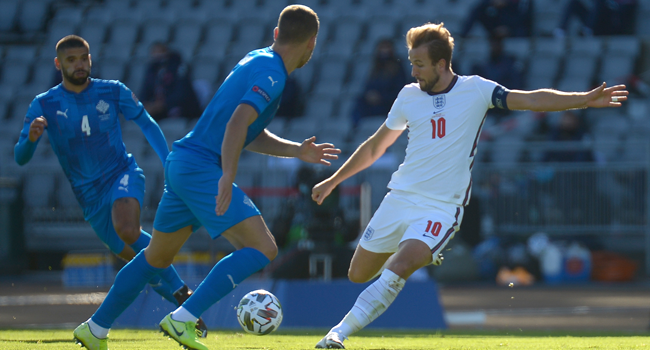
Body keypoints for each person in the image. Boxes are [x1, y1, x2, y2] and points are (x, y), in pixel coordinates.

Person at [311, 22, 628, 349]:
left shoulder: (476, 89)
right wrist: (335, 179)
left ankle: (337, 334)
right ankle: (416, 248)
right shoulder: (408, 96)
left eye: (419, 64)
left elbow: (530, 99)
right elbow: (376, 146)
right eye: (411, 63)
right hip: (400, 198)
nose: (413, 70)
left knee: (400, 265)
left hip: (441, 208)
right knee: (358, 274)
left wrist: (582, 100)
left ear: (441, 64)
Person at [73, 5, 339, 350]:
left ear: (276, 34)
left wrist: (295, 151)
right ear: (312, 43)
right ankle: (182, 319)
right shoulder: (273, 75)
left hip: (183, 161)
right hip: (202, 168)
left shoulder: (257, 58)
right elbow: (236, 124)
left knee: (156, 257)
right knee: (263, 247)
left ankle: (94, 329)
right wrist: (227, 175)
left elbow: (247, 129)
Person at [14, 35, 207, 344]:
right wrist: (31, 139)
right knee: (140, 262)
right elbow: (20, 158)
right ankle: (183, 310)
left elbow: (147, 124)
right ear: (58, 64)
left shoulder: (113, 91)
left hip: (123, 174)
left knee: (128, 229)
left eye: (83, 58)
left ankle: (184, 296)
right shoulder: (44, 104)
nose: (79, 64)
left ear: (91, 59)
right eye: (71, 60)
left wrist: (168, 163)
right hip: (89, 199)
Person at [139, 42, 203, 121]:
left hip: (180, 107)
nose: (157, 55)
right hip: (158, 108)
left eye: (160, 52)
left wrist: (163, 104)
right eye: (154, 52)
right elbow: (145, 90)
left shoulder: (179, 67)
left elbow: (182, 93)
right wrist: (146, 104)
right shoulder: (152, 69)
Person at [351, 38, 407, 128]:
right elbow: (367, 87)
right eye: (382, 48)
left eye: (386, 48)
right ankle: (354, 129)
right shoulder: (375, 68)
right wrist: (370, 95)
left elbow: (399, 91)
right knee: (359, 102)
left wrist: (381, 97)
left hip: (387, 103)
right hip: (373, 103)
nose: (384, 51)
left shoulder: (398, 68)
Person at [554, 0, 638, 38]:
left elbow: (624, 13)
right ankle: (561, 31)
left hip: (610, 25)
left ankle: (588, 30)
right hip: (596, 20)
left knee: (600, 2)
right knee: (574, 3)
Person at [460, 0, 532, 38]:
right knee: (479, 10)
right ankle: (462, 36)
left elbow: (523, 18)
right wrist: (492, 2)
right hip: (495, 29)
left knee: (521, 31)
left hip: (515, 30)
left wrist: (509, 29)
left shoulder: (522, 3)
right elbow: (478, 8)